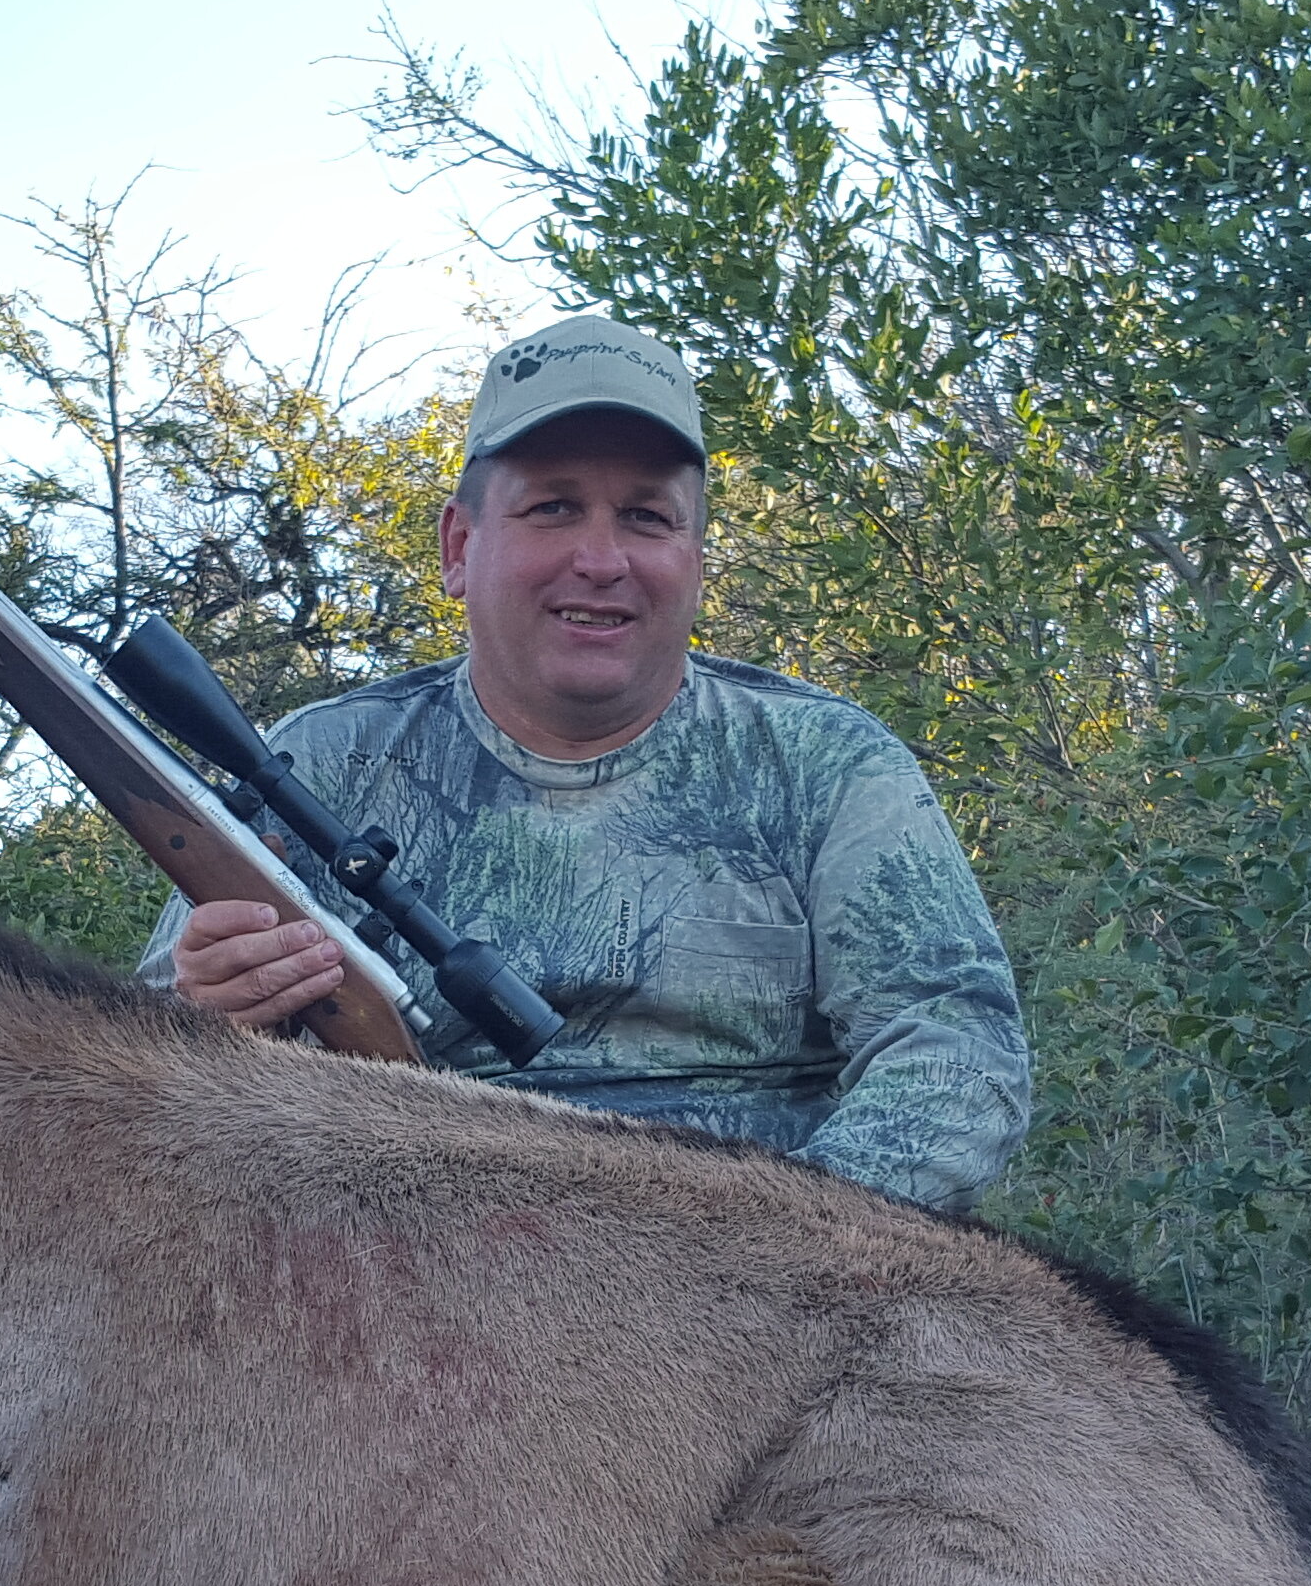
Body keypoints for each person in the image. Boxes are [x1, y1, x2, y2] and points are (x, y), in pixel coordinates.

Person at [138, 316, 1030, 1213]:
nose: (601, 561)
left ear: (695, 560)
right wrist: (200, 1018)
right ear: (458, 547)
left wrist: (777, 1263)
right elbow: (148, 1074)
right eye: (553, 507)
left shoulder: (825, 761)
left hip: (771, 1294)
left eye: (646, 516)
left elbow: (954, 1049)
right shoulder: (319, 765)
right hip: (393, 1273)